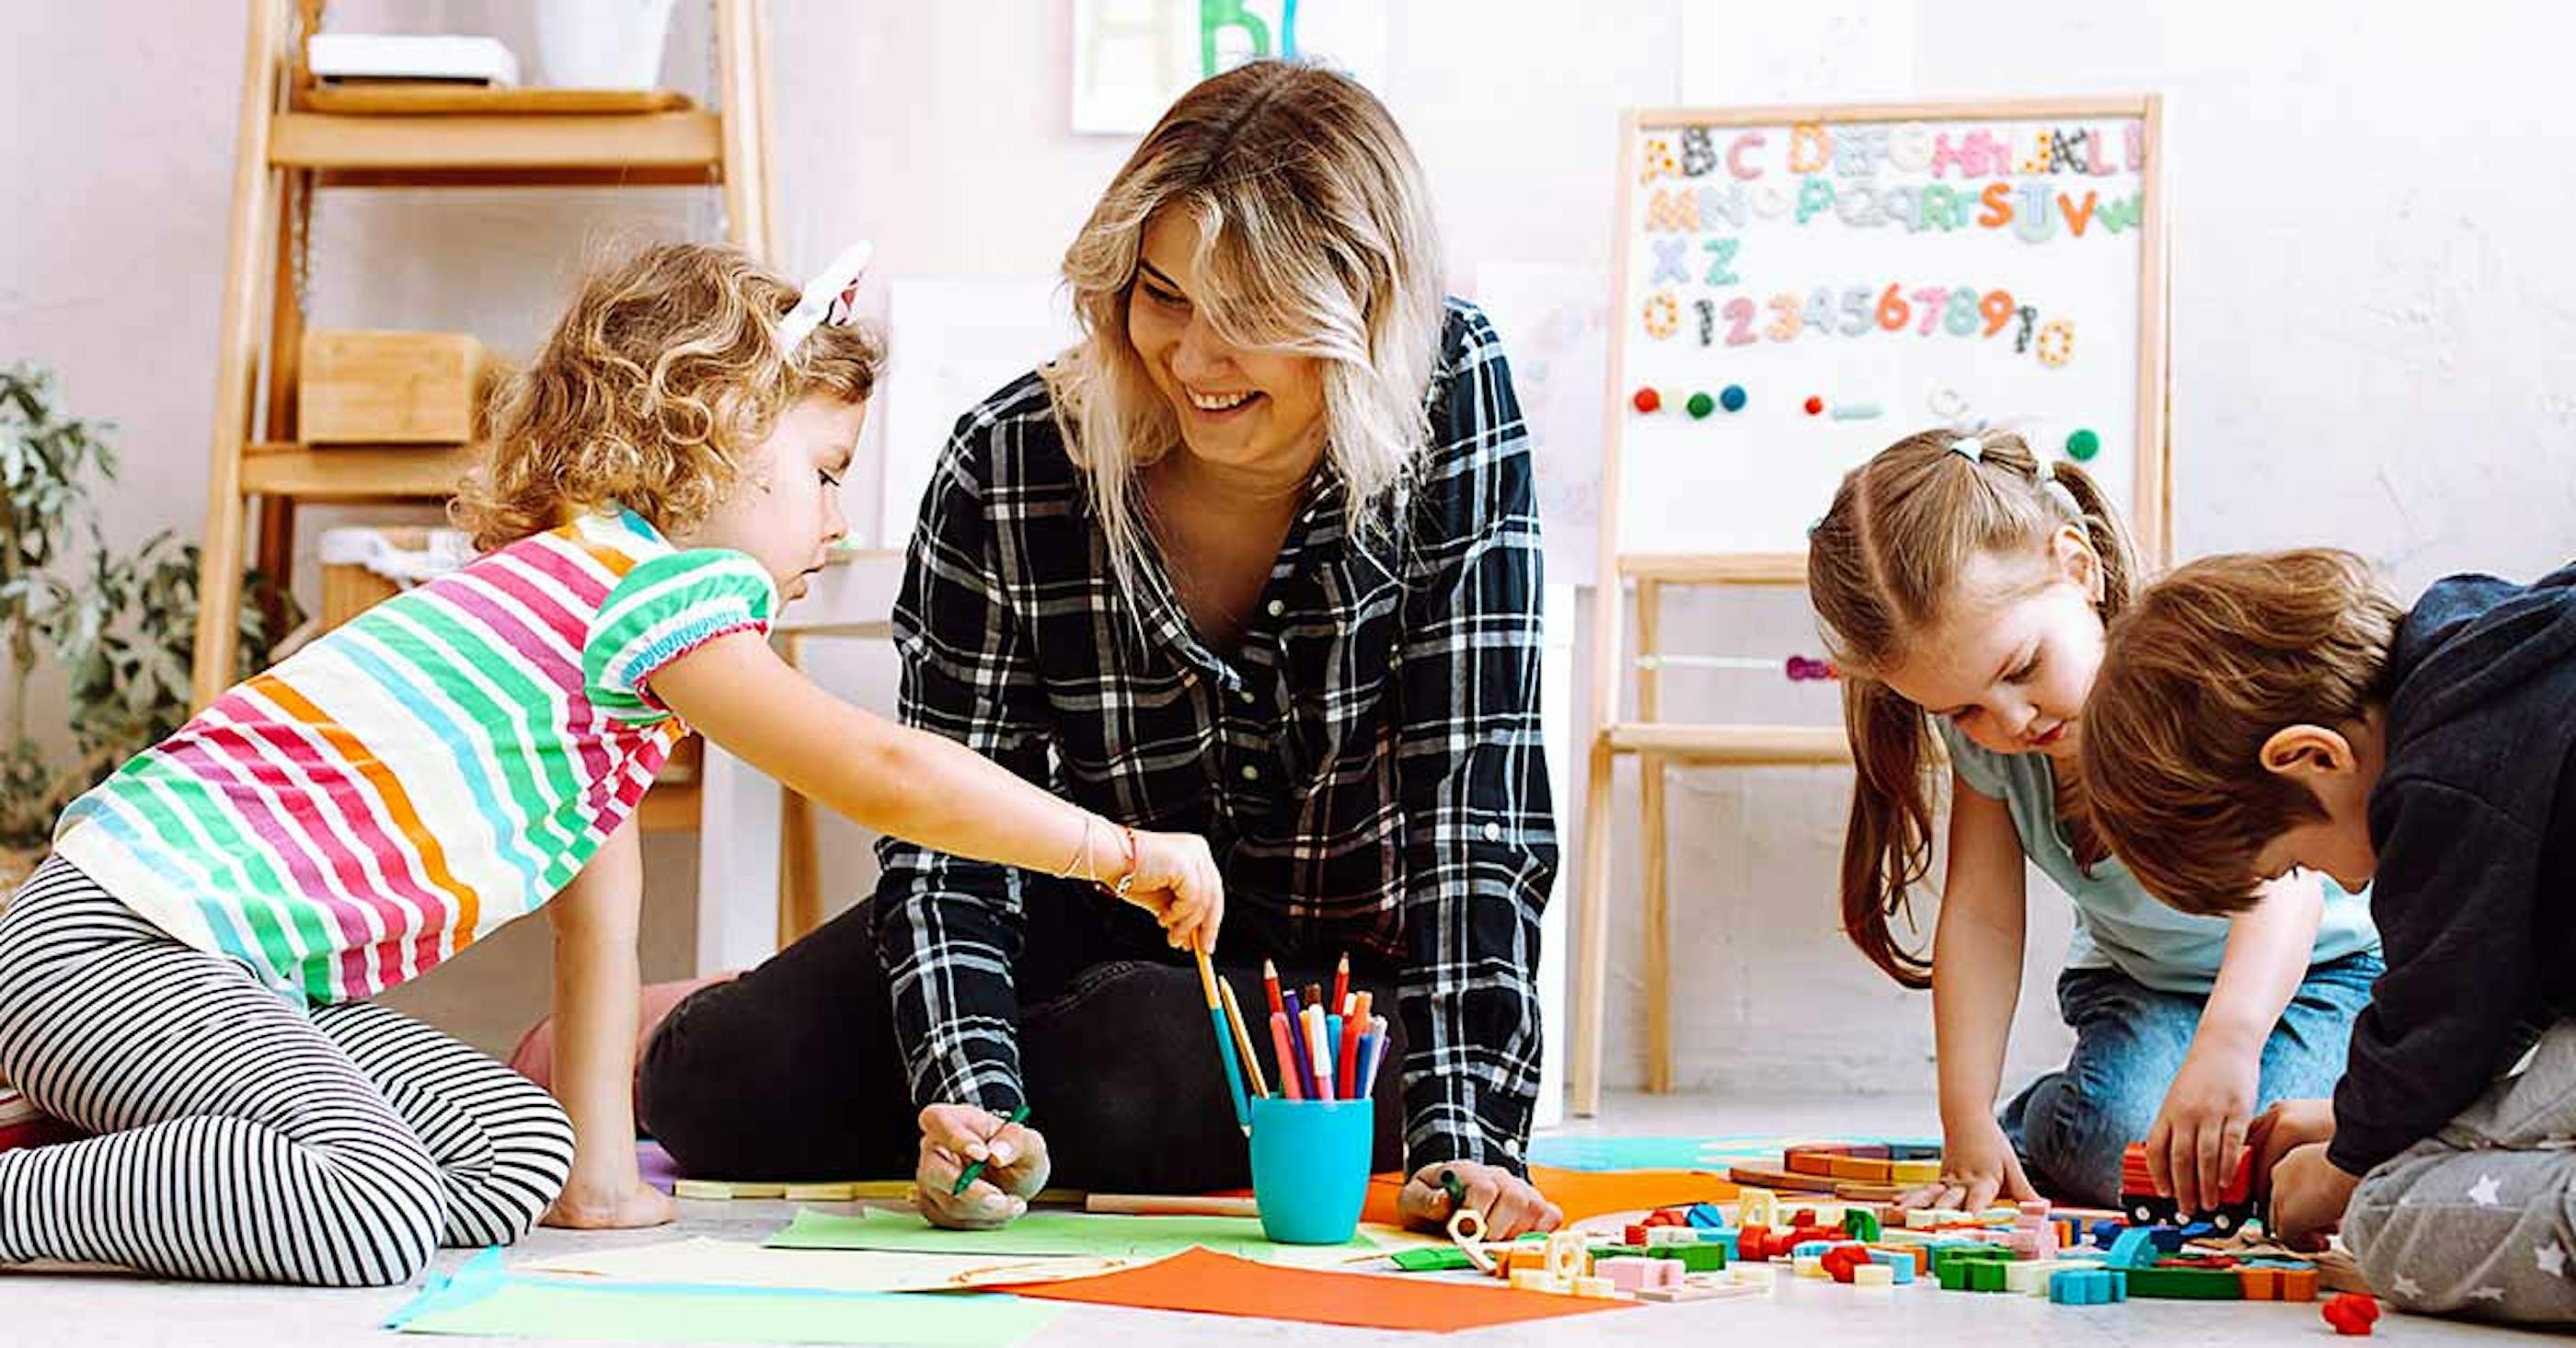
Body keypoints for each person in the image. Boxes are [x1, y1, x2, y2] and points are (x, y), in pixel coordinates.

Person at [0, 241, 1220, 1285]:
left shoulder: (589, 659)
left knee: (509, 1152)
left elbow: (602, 936)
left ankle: (63, 1130)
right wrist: (1109, 850)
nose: (838, 522)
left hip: (234, 985)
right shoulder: (653, 590)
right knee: (368, 1205)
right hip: (117, 943)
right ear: (712, 442)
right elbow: (881, 772)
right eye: (826, 474)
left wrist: (596, 1183)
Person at [1804, 430, 2379, 1214]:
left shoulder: (2186, 684)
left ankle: (2132, 1093)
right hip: (2142, 982)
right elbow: (1982, 916)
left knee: (2262, 1161)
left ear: (2078, 567)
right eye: (1963, 708)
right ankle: (2048, 1118)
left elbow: (2286, 888)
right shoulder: (1995, 748)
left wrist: (2229, 1041)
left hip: (2320, 970)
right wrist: (1965, 1117)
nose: (2009, 719)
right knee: (2131, 1151)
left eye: (2021, 669)